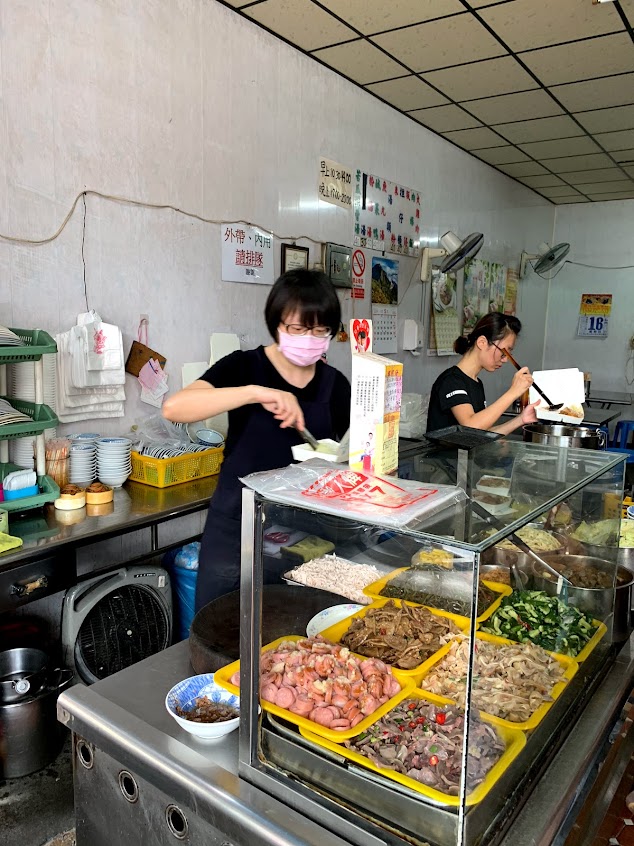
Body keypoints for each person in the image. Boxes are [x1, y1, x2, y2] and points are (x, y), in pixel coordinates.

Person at [162, 268, 351, 612]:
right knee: (220, 626)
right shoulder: (244, 367)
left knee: (297, 638)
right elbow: (175, 408)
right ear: (277, 322)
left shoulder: (335, 384)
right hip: (237, 528)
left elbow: (353, 457)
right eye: (298, 328)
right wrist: (254, 393)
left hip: (307, 533)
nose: (309, 337)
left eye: (320, 329)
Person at [426, 313, 539, 435]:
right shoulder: (451, 381)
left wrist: (521, 419)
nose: (505, 359)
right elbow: (471, 426)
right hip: (443, 454)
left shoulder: (476, 383)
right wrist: (513, 392)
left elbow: (481, 434)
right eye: (504, 352)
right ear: (482, 342)